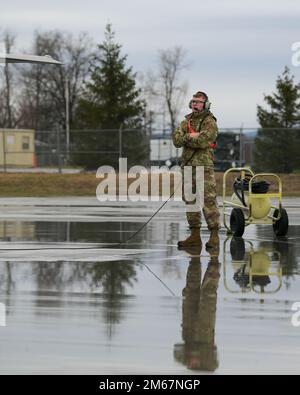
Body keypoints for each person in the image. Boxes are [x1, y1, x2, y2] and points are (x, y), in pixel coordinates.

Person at [172, 91, 220, 249]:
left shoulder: (210, 121)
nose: (195, 104)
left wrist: (190, 137)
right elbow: (177, 140)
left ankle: (214, 236)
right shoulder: (186, 121)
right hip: (187, 166)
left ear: (205, 104)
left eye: (198, 102)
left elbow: (204, 141)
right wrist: (190, 136)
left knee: (208, 200)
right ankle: (195, 236)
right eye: (193, 101)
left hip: (203, 167)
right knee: (190, 201)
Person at [173, 245, 221, 372]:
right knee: (208, 295)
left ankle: (197, 258)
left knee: (191, 292)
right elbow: (213, 363)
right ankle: (213, 259)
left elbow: (177, 352)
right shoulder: (209, 365)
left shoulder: (187, 361)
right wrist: (198, 358)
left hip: (190, 334)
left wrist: (188, 358)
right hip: (204, 335)